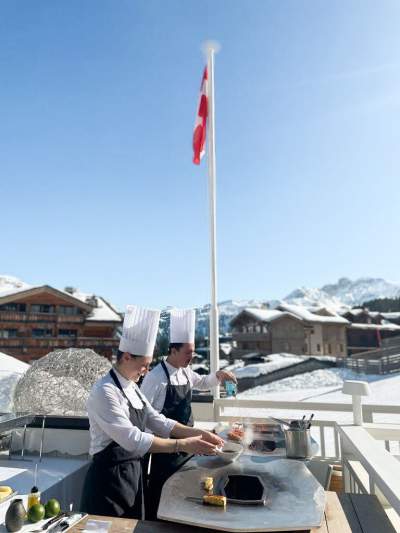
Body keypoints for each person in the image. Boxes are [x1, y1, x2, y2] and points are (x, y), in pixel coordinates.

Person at [81, 305, 223, 519]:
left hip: (132, 475)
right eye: (144, 365)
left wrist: (201, 435)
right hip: (108, 480)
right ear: (127, 357)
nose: (146, 371)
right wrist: (182, 444)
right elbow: (132, 439)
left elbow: (158, 420)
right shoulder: (105, 391)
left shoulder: (132, 386)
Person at [140, 308, 236, 518]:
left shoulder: (185, 372)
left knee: (187, 494)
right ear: (173, 350)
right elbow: (147, 416)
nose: (191, 357)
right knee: (164, 496)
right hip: (166, 451)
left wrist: (218, 376)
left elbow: (202, 382)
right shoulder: (156, 378)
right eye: (187, 352)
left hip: (190, 446)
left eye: (192, 352)